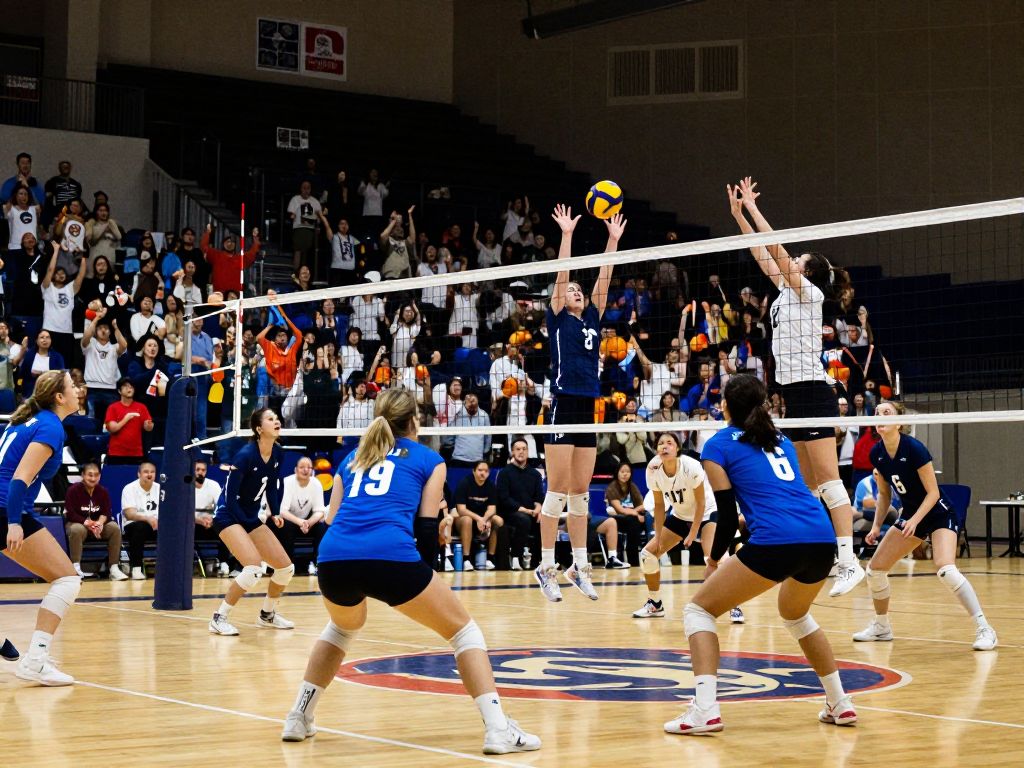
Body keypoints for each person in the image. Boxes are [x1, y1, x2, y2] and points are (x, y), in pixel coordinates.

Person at [280, 388, 540, 755]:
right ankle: (498, 729)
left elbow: (332, 519)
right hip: (391, 556)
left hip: (333, 558)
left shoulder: (351, 459)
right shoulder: (429, 459)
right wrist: (427, 575)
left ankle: (297, 716)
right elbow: (426, 527)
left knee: (340, 628)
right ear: (414, 421)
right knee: (464, 632)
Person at [664, 374, 856, 735]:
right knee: (795, 615)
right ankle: (839, 702)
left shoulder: (717, 445)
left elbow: (723, 515)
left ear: (724, 407)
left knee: (698, 610)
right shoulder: (780, 439)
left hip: (777, 540)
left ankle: (705, 711)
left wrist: (713, 560)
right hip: (821, 536)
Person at [728, 177, 864, 597]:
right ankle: (809, 553)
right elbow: (761, 252)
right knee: (805, 485)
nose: (792, 263)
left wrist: (754, 207)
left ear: (807, 271)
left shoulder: (809, 293)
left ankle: (848, 560)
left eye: (799, 260)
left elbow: (777, 249)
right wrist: (738, 215)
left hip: (814, 391)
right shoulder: (786, 293)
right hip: (792, 395)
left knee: (827, 479)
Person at [535, 204, 626, 602]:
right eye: (571, 291)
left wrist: (613, 240)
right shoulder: (558, 316)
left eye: (578, 291)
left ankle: (579, 566)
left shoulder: (591, 317)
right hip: (562, 402)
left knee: (580, 493)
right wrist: (568, 235)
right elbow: (562, 274)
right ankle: (545, 566)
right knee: (555, 492)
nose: (574, 292)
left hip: (589, 405)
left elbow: (604, 276)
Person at [853, 402, 997, 651]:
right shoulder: (876, 453)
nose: (880, 416)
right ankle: (881, 626)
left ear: (899, 422)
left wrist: (914, 521)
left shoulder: (914, 448)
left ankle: (985, 628)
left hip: (938, 512)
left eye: (887, 412)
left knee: (945, 568)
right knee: (875, 570)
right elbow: (884, 496)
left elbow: (932, 493)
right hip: (911, 516)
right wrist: (876, 526)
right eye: (876, 413)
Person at [0, 370, 82, 685]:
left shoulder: (25, 421)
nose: (78, 390)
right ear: (59, 397)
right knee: (67, 580)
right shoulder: (50, 426)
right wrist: (13, 521)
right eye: (73, 386)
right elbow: (20, 477)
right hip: (7, 506)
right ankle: (36, 660)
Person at [631, 433, 745, 624]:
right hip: (681, 515)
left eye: (669, 443)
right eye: (660, 443)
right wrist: (658, 536)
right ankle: (655, 604)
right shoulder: (653, 468)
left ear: (677, 448)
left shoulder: (691, 466)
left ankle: (734, 604)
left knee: (713, 558)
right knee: (648, 554)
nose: (664, 446)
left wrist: (693, 533)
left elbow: (700, 502)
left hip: (708, 511)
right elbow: (659, 506)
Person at [210, 408, 295, 636]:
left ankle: (267, 615)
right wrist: (249, 522)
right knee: (253, 569)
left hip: (249, 516)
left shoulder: (278, 453)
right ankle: (219, 618)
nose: (276, 421)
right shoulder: (245, 455)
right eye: (270, 419)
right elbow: (229, 497)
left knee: (286, 568)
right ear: (259, 429)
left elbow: (273, 487)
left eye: (277, 418)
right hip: (228, 515)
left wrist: (275, 512)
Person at [64, 462, 127, 580]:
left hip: (97, 526)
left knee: (114, 528)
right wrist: (88, 523)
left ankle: (113, 567)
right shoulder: (72, 490)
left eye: (96, 475)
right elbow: (70, 514)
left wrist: (99, 523)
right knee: (76, 529)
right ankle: (76, 567)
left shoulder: (103, 491)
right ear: (83, 475)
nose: (93, 478)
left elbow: (107, 512)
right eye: (90, 475)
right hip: (79, 524)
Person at [495, 438, 544, 571]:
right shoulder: (505, 473)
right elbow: (504, 498)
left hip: (530, 512)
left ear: (528, 452)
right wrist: (524, 510)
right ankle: (515, 557)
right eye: (518, 449)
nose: (521, 452)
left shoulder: (535, 474)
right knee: (523, 520)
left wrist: (538, 509)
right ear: (512, 452)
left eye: (524, 449)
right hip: (509, 512)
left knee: (545, 520)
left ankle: (538, 560)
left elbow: (539, 497)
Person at [276, 456, 329, 576]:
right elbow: (283, 511)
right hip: (292, 520)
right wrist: (300, 522)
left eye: (309, 467)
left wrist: (308, 523)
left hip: (308, 522)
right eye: (302, 467)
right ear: (295, 469)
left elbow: (320, 511)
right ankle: (288, 565)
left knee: (321, 527)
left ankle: (317, 564)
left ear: (312, 470)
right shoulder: (288, 482)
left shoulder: (316, 483)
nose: (305, 470)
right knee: (285, 526)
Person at [454, 460, 502, 571]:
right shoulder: (465, 483)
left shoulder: (490, 486)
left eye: (486, 471)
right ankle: (466, 560)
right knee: (467, 520)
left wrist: (485, 519)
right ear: (474, 471)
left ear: (489, 473)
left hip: (482, 519)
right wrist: (479, 519)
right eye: (480, 470)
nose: (482, 473)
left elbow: (492, 509)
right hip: (463, 519)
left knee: (498, 520)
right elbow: (461, 510)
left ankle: (490, 558)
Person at [121, 462, 161, 579]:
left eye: (152, 472)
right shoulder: (129, 488)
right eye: (146, 472)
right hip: (134, 525)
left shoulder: (160, 489)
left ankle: (168, 567)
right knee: (140, 527)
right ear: (139, 474)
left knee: (172, 529)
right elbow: (129, 514)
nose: (149, 475)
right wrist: (148, 518)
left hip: (156, 525)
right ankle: (136, 568)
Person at [602, 462, 644, 568]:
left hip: (631, 517)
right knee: (633, 522)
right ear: (617, 473)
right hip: (616, 519)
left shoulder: (632, 486)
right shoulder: (612, 487)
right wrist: (635, 513)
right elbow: (619, 509)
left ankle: (653, 556)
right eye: (622, 471)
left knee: (647, 519)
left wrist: (633, 512)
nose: (625, 474)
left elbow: (642, 505)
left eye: (628, 472)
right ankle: (634, 562)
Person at [104, 377, 153, 464]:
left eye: (131, 387)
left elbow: (148, 427)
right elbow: (112, 428)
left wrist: (148, 425)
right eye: (126, 386)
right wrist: (126, 418)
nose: (129, 389)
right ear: (119, 391)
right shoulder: (113, 407)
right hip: (116, 453)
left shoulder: (141, 407)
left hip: (136, 453)